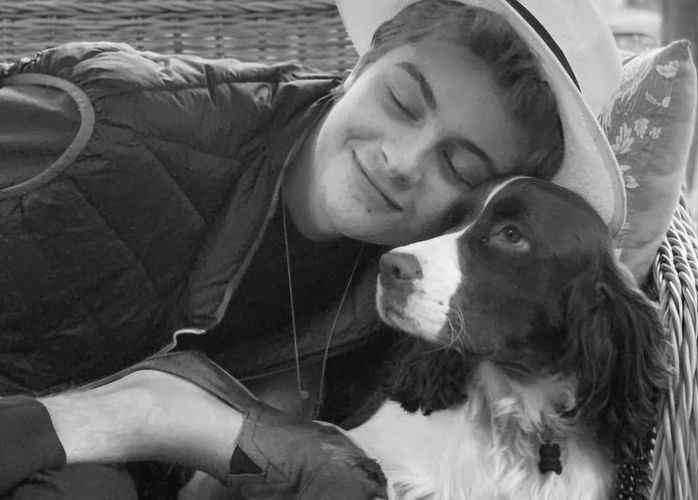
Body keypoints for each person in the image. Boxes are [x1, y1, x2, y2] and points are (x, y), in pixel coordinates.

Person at [0, 0, 625, 498]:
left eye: (457, 166)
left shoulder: (421, 300)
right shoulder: (107, 123)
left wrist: (199, 434)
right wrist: (156, 421)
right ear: (360, 64)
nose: (401, 161)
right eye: (400, 101)